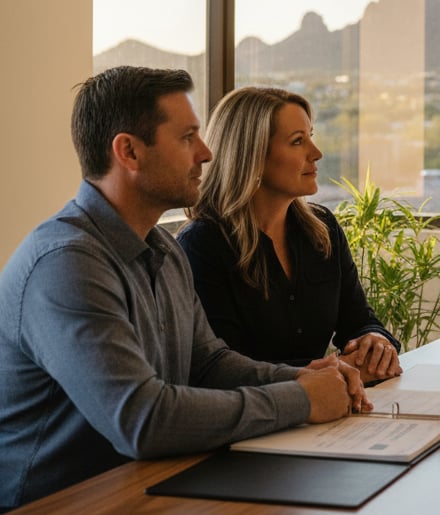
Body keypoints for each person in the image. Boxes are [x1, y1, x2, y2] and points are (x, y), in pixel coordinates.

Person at [0, 66, 370, 510]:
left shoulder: (161, 248)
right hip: (62, 503)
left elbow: (207, 363)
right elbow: (143, 420)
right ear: (130, 152)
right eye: (187, 137)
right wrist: (298, 399)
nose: (208, 152)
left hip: (151, 484)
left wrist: (307, 378)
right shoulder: (66, 264)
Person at [177, 87, 402, 383]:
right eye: (298, 141)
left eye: (311, 136)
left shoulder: (324, 229)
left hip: (326, 411)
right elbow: (222, 367)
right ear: (252, 155)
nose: (316, 153)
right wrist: (332, 370)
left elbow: (359, 320)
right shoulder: (202, 245)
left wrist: (374, 340)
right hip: (256, 420)